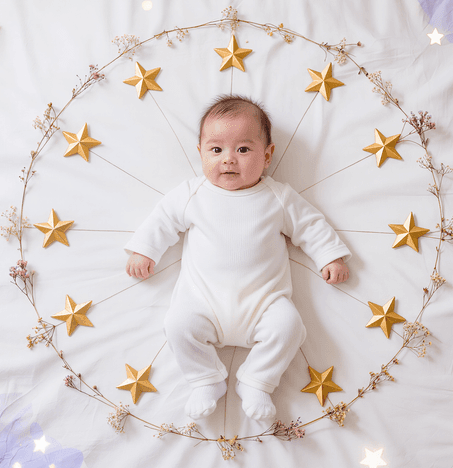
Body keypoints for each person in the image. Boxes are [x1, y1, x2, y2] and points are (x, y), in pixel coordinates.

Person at [125, 95, 351, 421]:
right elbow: (162, 219)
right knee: (176, 325)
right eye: (216, 150)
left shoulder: (278, 197)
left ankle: (258, 381)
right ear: (201, 153)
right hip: (202, 302)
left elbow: (310, 225)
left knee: (288, 326)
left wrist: (330, 257)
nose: (229, 159)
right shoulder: (192, 194)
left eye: (243, 150)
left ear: (268, 155)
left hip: (263, 304)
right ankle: (205, 379)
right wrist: (145, 249)